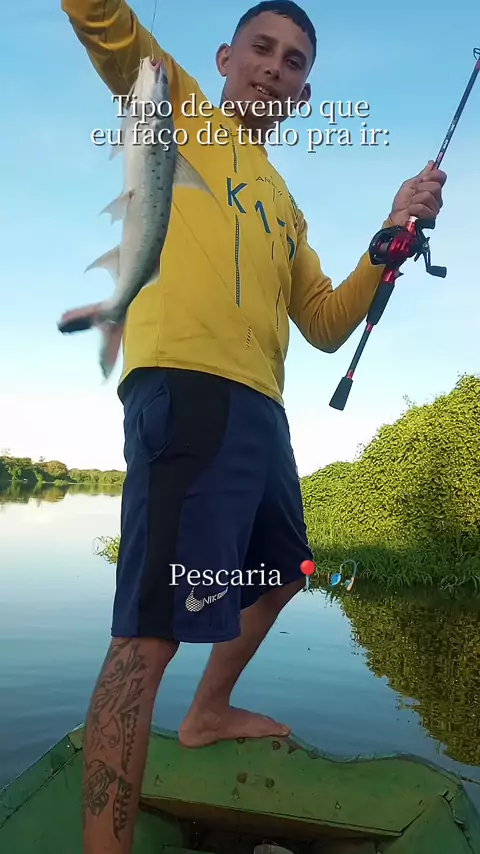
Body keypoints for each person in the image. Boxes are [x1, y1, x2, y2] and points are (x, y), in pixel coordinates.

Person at [61, 1, 446, 851]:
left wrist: (390, 234)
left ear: (304, 94)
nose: (276, 66)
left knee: (286, 568)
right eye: (262, 49)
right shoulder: (178, 111)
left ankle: (207, 712)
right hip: (185, 390)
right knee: (148, 636)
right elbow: (106, 25)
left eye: (295, 61)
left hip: (260, 407)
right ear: (225, 58)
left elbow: (326, 322)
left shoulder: (285, 205)